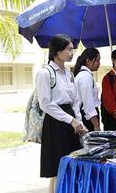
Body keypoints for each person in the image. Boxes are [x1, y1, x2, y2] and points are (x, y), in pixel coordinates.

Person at [36, 34, 87, 193]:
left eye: (73, 49)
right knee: (59, 166)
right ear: (58, 52)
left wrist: (78, 121)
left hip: (71, 120)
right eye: (69, 49)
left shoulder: (69, 74)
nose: (72, 53)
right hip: (56, 122)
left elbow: (75, 101)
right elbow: (45, 103)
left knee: (73, 163)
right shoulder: (45, 73)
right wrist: (70, 120)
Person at [74, 48, 101, 131]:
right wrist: (96, 125)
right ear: (88, 61)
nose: (99, 63)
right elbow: (88, 104)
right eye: (97, 60)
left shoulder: (84, 75)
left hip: (88, 116)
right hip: (88, 119)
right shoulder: (85, 76)